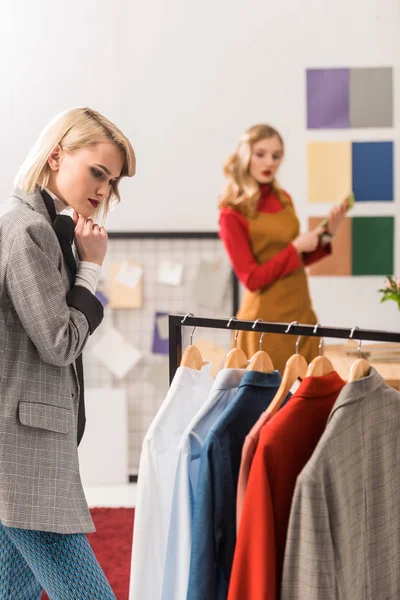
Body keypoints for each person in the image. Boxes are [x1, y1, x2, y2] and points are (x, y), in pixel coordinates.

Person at [0, 107, 136, 599]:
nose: (103, 191)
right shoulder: (28, 230)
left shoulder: (47, 229)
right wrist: (91, 271)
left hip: (25, 445)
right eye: (97, 172)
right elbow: (60, 344)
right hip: (24, 452)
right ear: (56, 155)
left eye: (113, 182)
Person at [219, 124, 347, 373]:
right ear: (246, 155)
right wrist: (295, 248)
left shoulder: (283, 198)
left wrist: (328, 233)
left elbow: (294, 260)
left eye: (276, 155)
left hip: (301, 313)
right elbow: (252, 279)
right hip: (266, 324)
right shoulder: (231, 213)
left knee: (312, 400)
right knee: (272, 406)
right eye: (261, 154)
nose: (270, 162)